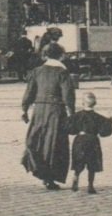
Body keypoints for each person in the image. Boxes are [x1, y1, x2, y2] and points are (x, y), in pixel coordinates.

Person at [21, 42, 76, 190]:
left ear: (45, 55)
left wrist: (24, 110)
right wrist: (72, 113)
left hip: (39, 110)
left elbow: (29, 93)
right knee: (54, 143)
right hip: (56, 111)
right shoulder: (62, 73)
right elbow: (68, 95)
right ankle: (50, 177)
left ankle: (39, 169)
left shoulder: (36, 71)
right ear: (61, 55)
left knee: (37, 139)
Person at [68, 91, 112, 194]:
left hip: (80, 139)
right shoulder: (98, 117)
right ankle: (90, 185)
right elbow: (104, 132)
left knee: (79, 161)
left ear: (82, 103)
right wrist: (110, 119)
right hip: (92, 140)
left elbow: (70, 129)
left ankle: (76, 176)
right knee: (92, 164)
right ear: (95, 103)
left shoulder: (77, 116)